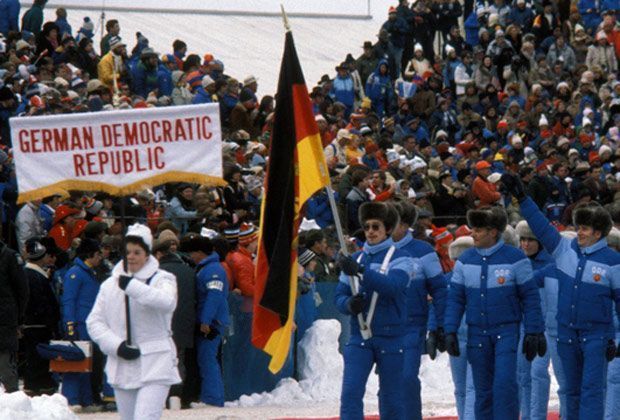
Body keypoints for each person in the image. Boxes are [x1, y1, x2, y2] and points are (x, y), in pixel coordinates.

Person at [502, 173, 620, 420]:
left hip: (596, 337)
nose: (579, 232)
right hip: (566, 336)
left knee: (591, 391)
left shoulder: (613, 262)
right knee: (571, 392)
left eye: (585, 228)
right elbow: (540, 225)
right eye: (578, 227)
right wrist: (523, 198)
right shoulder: (563, 250)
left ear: (598, 233)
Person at [444, 206, 546, 419]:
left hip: (506, 333)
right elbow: (455, 298)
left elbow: (530, 297)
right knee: (482, 390)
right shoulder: (465, 261)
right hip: (477, 333)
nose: (473, 233)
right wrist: (450, 330)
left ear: (493, 232)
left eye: (478, 230)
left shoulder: (516, 258)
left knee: (505, 384)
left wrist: (534, 331)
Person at [86, 223, 181, 420]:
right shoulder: (109, 285)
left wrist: (133, 287)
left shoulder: (163, 278)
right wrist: (116, 345)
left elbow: (167, 302)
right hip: (122, 364)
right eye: (127, 252)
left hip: (155, 362)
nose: (131, 257)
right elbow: (94, 322)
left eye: (137, 252)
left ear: (147, 254)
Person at [335, 201, 413, 419]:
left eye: (376, 227)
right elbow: (339, 296)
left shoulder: (401, 257)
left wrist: (361, 272)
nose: (370, 232)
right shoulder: (355, 258)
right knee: (350, 394)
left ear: (387, 229)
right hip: (360, 337)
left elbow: (393, 287)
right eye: (367, 227)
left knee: (391, 398)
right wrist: (348, 305)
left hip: (391, 337)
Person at [392, 200, 447, 420]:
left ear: (405, 225)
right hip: (383, 327)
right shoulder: (377, 249)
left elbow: (440, 290)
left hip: (412, 325)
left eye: (392, 223)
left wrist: (442, 326)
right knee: (389, 382)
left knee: (407, 378)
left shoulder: (422, 250)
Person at [181, 234, 229, 407]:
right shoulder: (207, 268)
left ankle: (213, 398)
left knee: (208, 360)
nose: (191, 256)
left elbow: (214, 296)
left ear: (200, 252)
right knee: (206, 359)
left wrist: (206, 321)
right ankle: (211, 396)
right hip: (210, 321)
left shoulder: (213, 270)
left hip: (211, 323)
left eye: (192, 252)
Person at [515, 220, 556, 420]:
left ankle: (537, 416)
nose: (526, 244)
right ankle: (526, 415)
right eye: (522, 239)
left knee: (538, 372)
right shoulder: (517, 264)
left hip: (547, 327)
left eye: (530, 239)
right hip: (523, 326)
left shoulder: (551, 263)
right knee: (522, 375)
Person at [153, 232, 196, 405]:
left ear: (158, 254)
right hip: (185, 323)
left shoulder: (157, 273)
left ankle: (161, 397)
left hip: (162, 324)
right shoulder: (188, 270)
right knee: (179, 360)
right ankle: (177, 396)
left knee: (160, 360)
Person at [61, 238, 103, 411]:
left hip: (89, 325)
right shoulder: (76, 273)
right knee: (76, 364)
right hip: (79, 325)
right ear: (90, 255)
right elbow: (68, 301)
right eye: (98, 254)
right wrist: (70, 325)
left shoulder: (88, 273)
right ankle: (72, 399)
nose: (101, 257)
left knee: (87, 364)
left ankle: (85, 400)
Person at [23, 237, 61, 396]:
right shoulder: (34, 276)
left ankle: (37, 383)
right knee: (37, 357)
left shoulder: (33, 274)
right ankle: (36, 385)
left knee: (35, 356)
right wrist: (50, 320)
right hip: (38, 324)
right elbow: (41, 302)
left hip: (35, 323)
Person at [446, 234, 476, 420]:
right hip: (456, 338)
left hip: (477, 337)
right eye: (456, 259)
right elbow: (439, 307)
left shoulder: (478, 279)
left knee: (474, 385)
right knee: (460, 387)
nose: (459, 264)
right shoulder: (446, 280)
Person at [0, 233, 28, 393]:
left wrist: (18, 317)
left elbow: (22, 290)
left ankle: (13, 405)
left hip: (4, 321)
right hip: (6, 317)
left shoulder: (9, 256)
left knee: (5, 366)